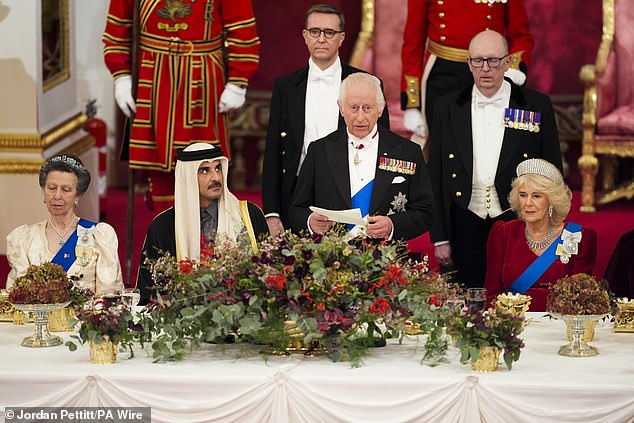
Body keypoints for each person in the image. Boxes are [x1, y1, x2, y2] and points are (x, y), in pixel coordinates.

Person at [428, 30, 562, 288]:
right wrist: (440, 237)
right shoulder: (447, 106)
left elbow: (553, 171)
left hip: (518, 217)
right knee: (469, 300)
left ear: (508, 62)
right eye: (478, 61)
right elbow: (436, 173)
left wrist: (550, 227)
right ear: (468, 63)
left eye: (493, 60)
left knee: (518, 296)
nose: (485, 69)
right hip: (465, 217)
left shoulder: (535, 105)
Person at [103, 0, 260, 204]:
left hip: (202, 80)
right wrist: (121, 76)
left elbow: (242, 28)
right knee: (157, 167)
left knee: (205, 164)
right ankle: (163, 231)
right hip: (153, 78)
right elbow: (118, 29)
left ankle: (203, 234)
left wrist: (238, 82)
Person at [262, 4, 390, 237]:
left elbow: (384, 147)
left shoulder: (367, 83)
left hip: (352, 191)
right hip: (296, 194)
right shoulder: (286, 86)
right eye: (315, 31)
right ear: (305, 36)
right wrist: (271, 213)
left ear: (341, 38)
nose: (321, 39)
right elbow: (272, 151)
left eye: (329, 33)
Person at [289, 73, 434, 242]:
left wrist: (392, 224)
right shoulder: (319, 151)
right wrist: (310, 220)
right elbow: (296, 210)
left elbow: (426, 212)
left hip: (388, 260)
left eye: (367, 108)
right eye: (353, 108)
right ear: (341, 108)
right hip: (332, 260)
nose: (360, 117)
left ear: (380, 109)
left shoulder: (408, 152)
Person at [137, 143, 269, 304]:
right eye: (205, 170)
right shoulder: (163, 226)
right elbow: (149, 295)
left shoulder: (248, 215)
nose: (216, 177)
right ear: (188, 177)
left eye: (218, 168)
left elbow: (267, 279)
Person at [400, 0, 533, 152]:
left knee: (489, 145)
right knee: (442, 148)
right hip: (441, 74)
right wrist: (412, 104)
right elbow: (413, 42)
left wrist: (514, 67)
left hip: (488, 70)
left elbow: (520, 35)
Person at [484, 159, 597, 311]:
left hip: (558, 326)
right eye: (523, 195)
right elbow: (491, 295)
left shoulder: (578, 237)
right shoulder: (503, 232)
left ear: (551, 200)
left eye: (537, 196)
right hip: (514, 324)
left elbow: (582, 300)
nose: (528, 203)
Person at [6, 154, 124, 297]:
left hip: (83, 318)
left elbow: (109, 296)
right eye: (51, 188)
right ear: (44, 191)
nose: (57, 196)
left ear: (78, 195)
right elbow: (18, 296)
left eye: (66, 190)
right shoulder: (25, 239)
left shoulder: (98, 236)